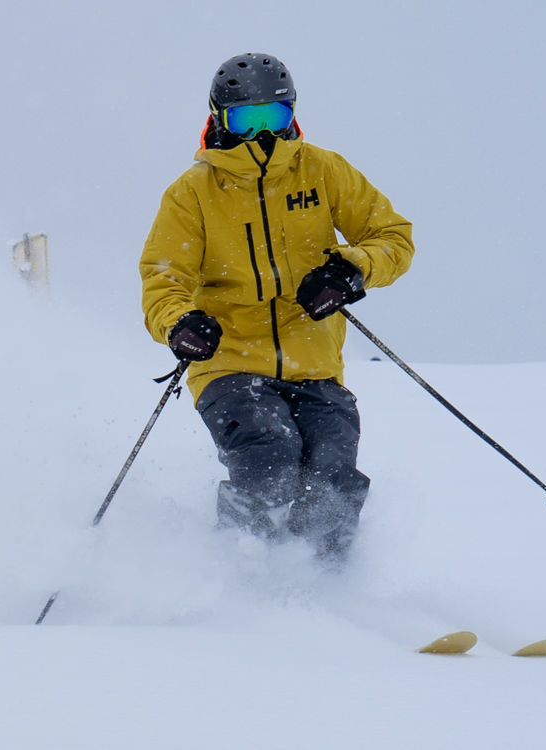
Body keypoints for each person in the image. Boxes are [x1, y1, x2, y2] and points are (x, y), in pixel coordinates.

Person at [140, 54, 415, 566]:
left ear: (293, 115)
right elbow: (163, 277)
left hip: (315, 364)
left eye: (275, 118)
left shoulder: (324, 171)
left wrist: (349, 271)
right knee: (269, 455)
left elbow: (392, 237)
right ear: (219, 118)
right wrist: (180, 323)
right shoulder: (192, 193)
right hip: (230, 363)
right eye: (247, 120)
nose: (261, 134)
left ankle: (327, 584)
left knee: (332, 472)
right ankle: (239, 575)